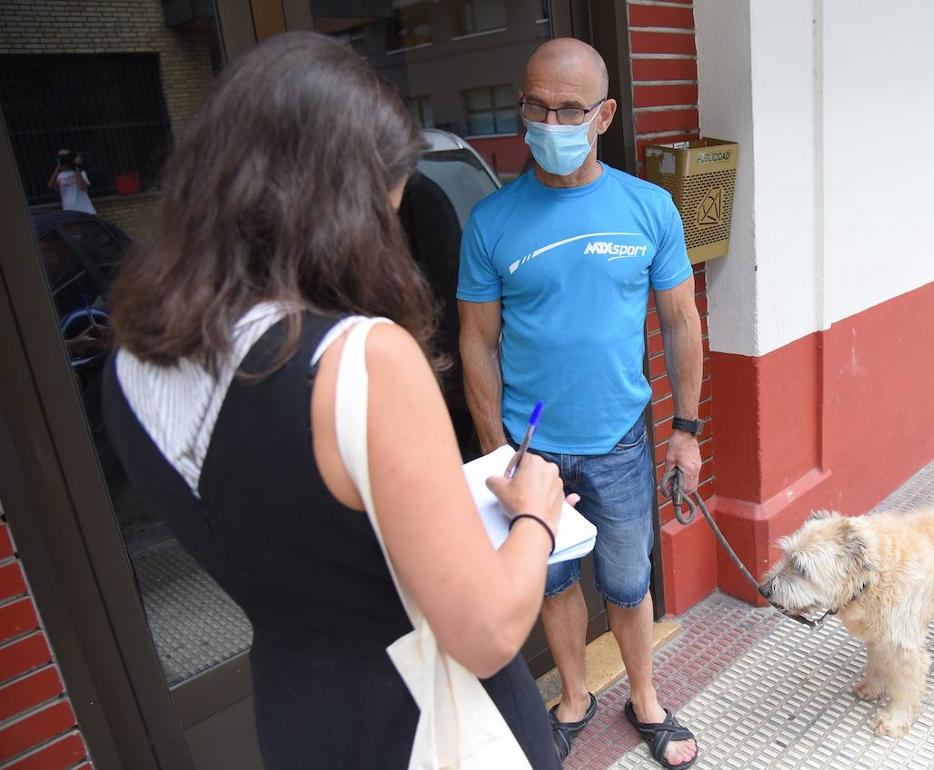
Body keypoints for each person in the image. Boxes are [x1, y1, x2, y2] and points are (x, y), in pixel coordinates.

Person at [103, 32, 566, 769]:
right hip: (435, 725)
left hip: (301, 715)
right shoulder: (361, 360)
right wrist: (537, 517)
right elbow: (485, 630)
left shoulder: (134, 361)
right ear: (337, 202)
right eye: (387, 201)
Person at [458, 38, 704, 769]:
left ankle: (645, 697)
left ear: (605, 115)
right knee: (554, 580)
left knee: (629, 584)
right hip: (532, 450)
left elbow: (681, 321)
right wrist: (499, 451)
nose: (551, 122)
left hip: (621, 441)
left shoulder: (648, 207)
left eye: (570, 109)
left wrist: (685, 431)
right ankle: (573, 696)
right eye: (537, 106)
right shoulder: (491, 223)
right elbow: (476, 343)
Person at [48, 148, 96, 214]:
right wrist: (57, 169)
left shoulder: (81, 173)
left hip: (85, 210)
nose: (63, 160)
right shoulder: (59, 176)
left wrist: (77, 167)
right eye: (60, 158)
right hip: (69, 212)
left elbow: (81, 187)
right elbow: (51, 186)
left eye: (65, 158)